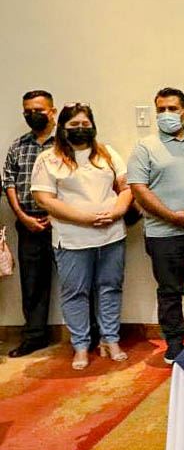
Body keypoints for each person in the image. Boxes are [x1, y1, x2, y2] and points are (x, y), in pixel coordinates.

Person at [30, 103, 132, 370]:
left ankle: (110, 339)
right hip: (72, 239)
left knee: (110, 287)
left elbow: (126, 187)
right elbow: (44, 198)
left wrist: (118, 211)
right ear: (62, 128)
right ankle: (81, 345)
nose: (80, 129)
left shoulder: (107, 153)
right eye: (73, 125)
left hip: (111, 235)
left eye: (85, 124)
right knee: (75, 293)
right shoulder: (48, 159)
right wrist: (84, 218)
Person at [127, 87, 184, 362]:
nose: (166, 114)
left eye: (172, 109)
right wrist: (170, 216)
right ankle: (175, 343)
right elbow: (138, 188)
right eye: (161, 110)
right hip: (163, 233)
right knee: (170, 291)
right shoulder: (145, 147)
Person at [4, 90, 57, 357]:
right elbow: (9, 182)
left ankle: (87, 336)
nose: (32, 115)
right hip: (27, 223)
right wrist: (21, 215)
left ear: (52, 111)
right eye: (28, 111)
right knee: (32, 284)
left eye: (38, 110)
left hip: (64, 222)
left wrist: (57, 215)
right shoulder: (18, 145)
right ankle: (35, 336)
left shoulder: (66, 143)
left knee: (77, 283)